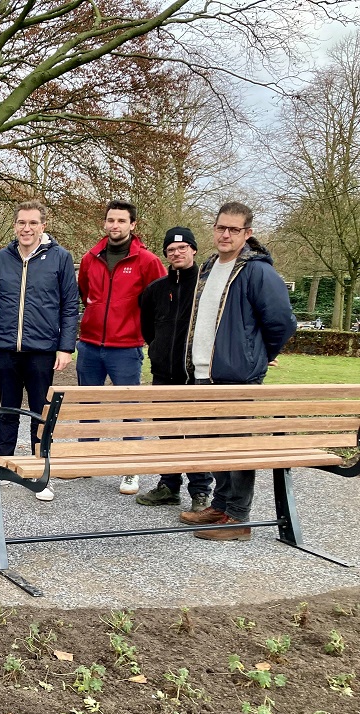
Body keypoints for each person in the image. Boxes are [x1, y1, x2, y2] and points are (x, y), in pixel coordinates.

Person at [179, 202, 296, 541]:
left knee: (236, 446)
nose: (226, 234)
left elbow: (282, 321)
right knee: (215, 445)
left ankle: (239, 518)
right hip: (204, 372)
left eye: (234, 229)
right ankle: (220, 506)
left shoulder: (257, 271)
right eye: (221, 227)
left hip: (238, 375)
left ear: (248, 233)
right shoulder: (209, 266)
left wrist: (258, 354)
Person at [0, 201, 78, 500]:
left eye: (33, 223)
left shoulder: (60, 258)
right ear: (15, 225)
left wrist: (65, 347)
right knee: (7, 410)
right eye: (21, 222)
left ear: (43, 226)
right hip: (5, 348)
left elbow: (70, 305)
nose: (26, 228)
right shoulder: (0, 259)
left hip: (42, 350)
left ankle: (40, 473)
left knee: (39, 413)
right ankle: (1, 468)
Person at [76, 200, 166, 495]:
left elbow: (159, 300)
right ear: (105, 223)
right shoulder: (90, 258)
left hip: (126, 347)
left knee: (130, 409)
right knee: (88, 406)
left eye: (121, 221)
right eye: (111, 220)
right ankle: (86, 460)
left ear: (132, 225)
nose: (115, 225)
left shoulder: (147, 261)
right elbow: (85, 293)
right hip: (90, 344)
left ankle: (130, 469)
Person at [135, 227, 213, 512]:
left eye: (182, 248)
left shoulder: (206, 288)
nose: (177, 253)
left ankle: (200, 491)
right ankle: (169, 485)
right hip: (164, 374)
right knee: (167, 431)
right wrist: (158, 349)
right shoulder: (155, 290)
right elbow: (148, 329)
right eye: (171, 250)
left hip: (197, 377)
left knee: (195, 434)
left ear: (193, 250)